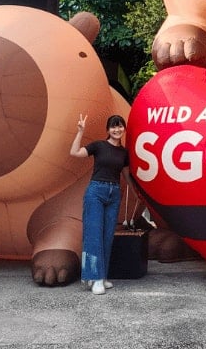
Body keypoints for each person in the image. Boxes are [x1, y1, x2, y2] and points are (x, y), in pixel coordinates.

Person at [70, 113, 129, 295]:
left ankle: (101, 276)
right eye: (113, 126)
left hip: (114, 193)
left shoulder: (124, 152)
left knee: (107, 235)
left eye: (120, 126)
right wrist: (80, 131)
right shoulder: (99, 146)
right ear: (108, 130)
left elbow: (126, 175)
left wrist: (135, 192)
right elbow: (74, 153)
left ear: (123, 129)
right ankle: (94, 278)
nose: (117, 130)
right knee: (94, 234)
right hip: (96, 191)